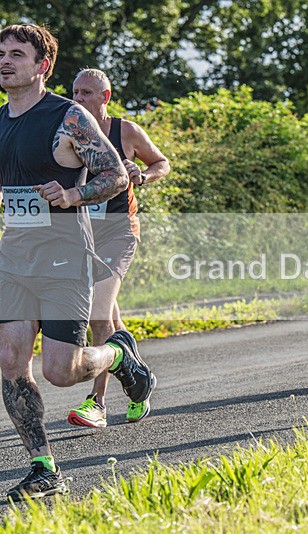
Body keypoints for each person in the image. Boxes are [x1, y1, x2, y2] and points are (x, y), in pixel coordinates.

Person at [0, 24, 155, 501]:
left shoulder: (68, 118)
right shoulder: (0, 121)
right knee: (9, 360)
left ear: (42, 65)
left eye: (17, 54)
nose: (5, 61)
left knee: (61, 371)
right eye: (0, 53)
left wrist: (72, 193)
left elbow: (114, 176)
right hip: (15, 257)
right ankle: (43, 466)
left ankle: (118, 354)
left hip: (66, 256)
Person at [67, 68, 170, 428]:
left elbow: (162, 163)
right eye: (75, 93)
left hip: (119, 232)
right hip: (82, 235)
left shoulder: (123, 131)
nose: (77, 99)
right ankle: (138, 379)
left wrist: (143, 174)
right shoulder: (69, 132)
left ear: (104, 97)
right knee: (110, 318)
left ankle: (97, 403)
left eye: (86, 93)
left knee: (98, 313)